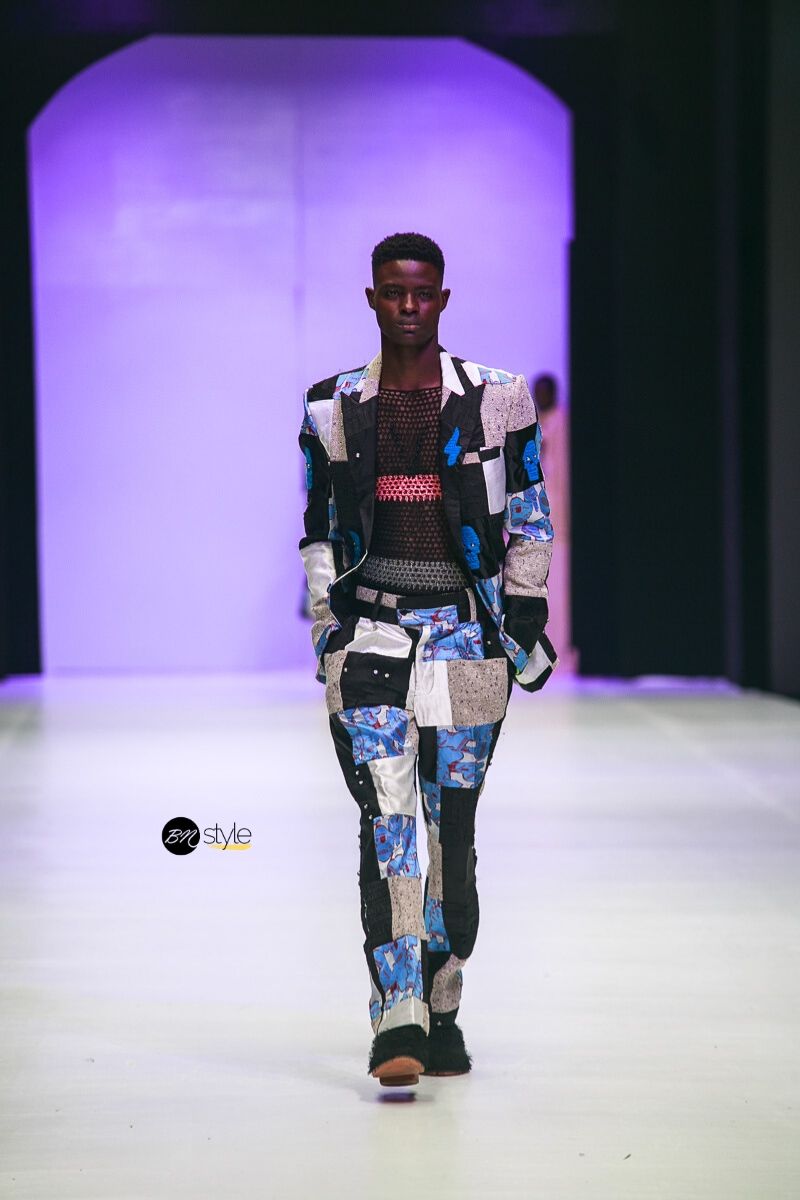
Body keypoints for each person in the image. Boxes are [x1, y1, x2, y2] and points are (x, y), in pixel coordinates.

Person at [298, 232, 558, 1088]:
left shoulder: (498, 397)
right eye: (392, 291)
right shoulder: (331, 407)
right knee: (389, 822)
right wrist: (328, 629)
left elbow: (529, 509)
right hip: (373, 636)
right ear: (371, 297)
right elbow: (318, 528)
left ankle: (443, 1005)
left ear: (443, 298)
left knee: (451, 834)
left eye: (421, 292)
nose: (407, 306)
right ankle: (397, 1013)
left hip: (467, 639)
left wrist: (523, 608)